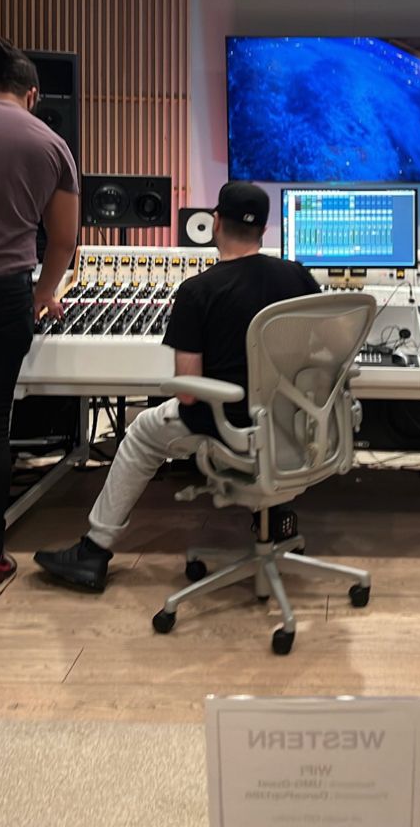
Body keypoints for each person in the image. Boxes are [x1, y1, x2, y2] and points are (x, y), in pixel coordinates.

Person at [34, 180, 321, 592]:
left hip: (226, 429)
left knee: (140, 436)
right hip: (289, 424)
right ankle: (276, 520)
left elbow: (188, 392)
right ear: (264, 229)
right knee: (269, 425)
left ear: (215, 222)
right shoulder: (299, 277)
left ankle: (94, 550)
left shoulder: (197, 291)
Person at [0, 38, 79, 597]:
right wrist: (44, 293)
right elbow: (64, 240)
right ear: (30, 93)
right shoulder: (48, 142)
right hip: (4, 295)